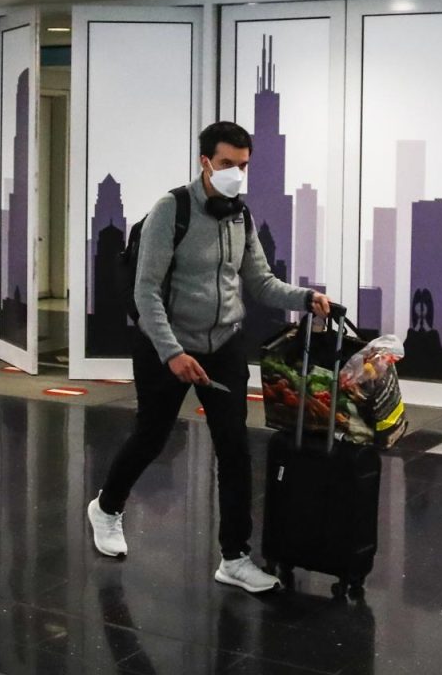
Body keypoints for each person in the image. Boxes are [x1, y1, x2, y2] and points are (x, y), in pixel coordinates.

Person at [86, 120, 331, 592]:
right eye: (226, 165)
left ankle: (234, 557)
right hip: (167, 344)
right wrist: (172, 352)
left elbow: (259, 282)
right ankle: (107, 507)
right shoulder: (170, 211)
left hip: (223, 346)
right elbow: (146, 292)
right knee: (152, 438)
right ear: (204, 162)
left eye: (243, 166)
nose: (236, 174)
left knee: (234, 449)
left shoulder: (241, 216)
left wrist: (305, 298)